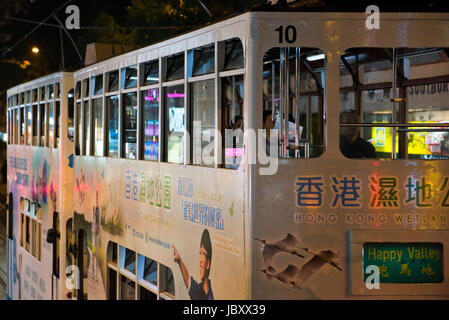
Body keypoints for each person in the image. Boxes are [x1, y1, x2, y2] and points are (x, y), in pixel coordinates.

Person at [172, 229, 214, 300]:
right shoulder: (200, 289)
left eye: (203, 253)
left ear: (208, 264)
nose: (200, 260)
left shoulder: (209, 297)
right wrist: (179, 260)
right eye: (200, 252)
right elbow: (188, 280)